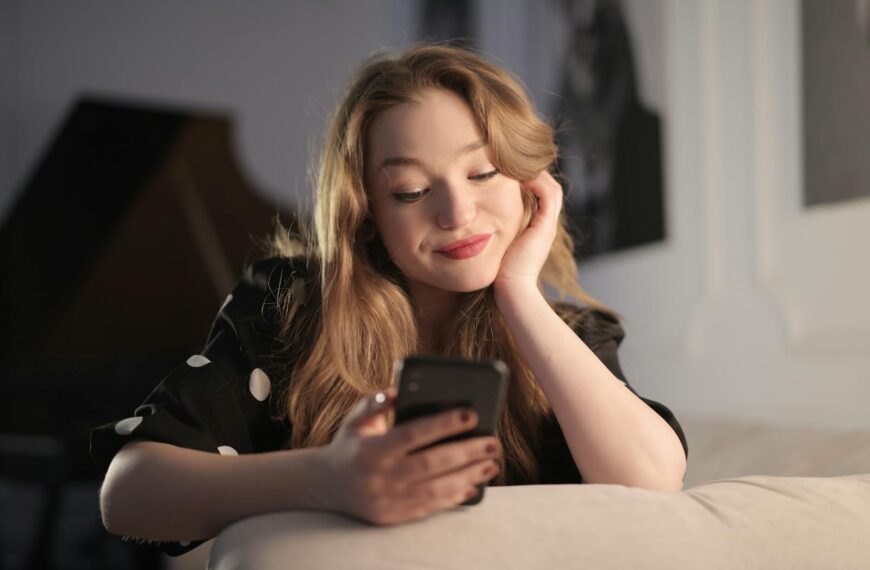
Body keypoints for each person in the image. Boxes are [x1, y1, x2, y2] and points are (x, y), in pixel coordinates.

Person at [91, 43, 688, 557]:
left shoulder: (572, 335)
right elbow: (128, 493)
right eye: (411, 190)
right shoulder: (290, 307)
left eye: (482, 174)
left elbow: (650, 482)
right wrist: (329, 478)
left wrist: (519, 294)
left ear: (532, 183)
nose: (456, 213)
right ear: (369, 214)